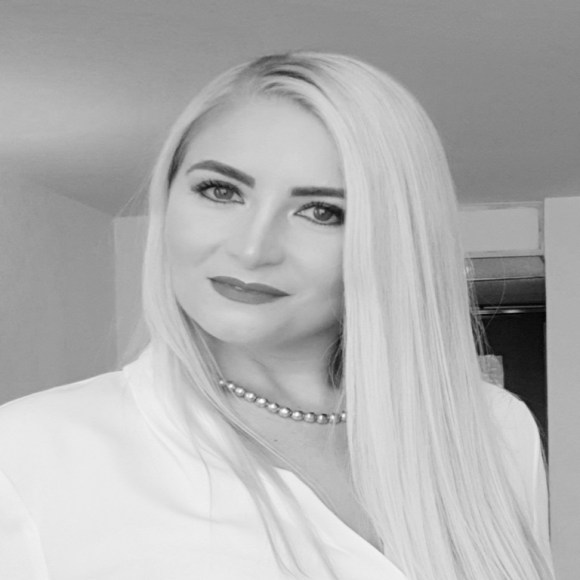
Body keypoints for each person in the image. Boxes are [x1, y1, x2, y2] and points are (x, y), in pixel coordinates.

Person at [0, 51, 555, 580]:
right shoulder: (28, 456)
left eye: (322, 211)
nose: (252, 249)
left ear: (392, 239)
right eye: (220, 190)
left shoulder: (494, 428)